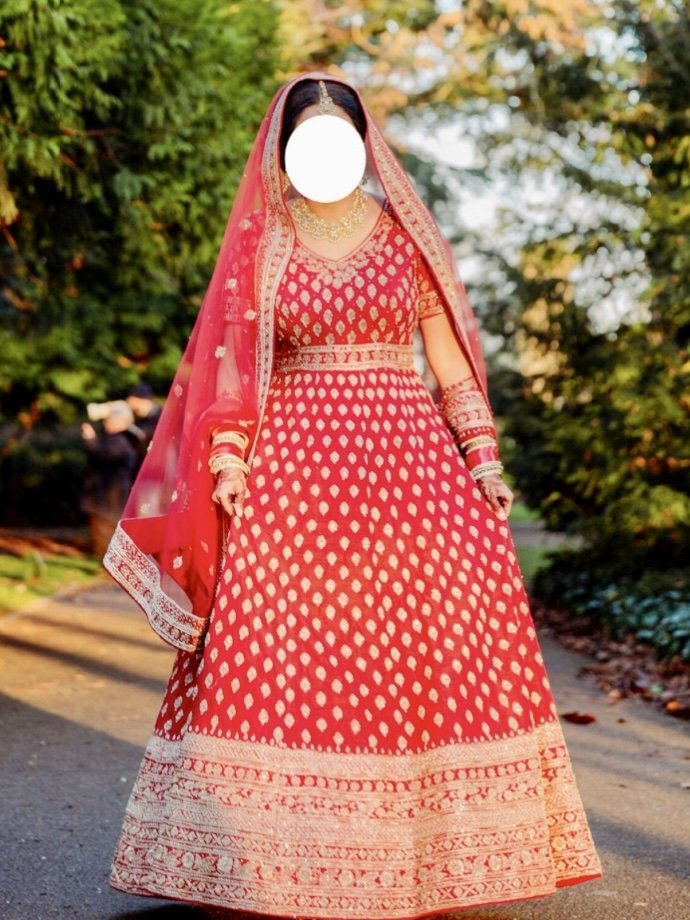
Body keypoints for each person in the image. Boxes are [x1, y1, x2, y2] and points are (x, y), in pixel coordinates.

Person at [104, 74, 601, 917]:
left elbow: (447, 359)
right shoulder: (264, 245)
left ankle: (424, 858)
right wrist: (229, 459)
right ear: (284, 149)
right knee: (281, 643)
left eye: (341, 138)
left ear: (365, 145)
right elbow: (231, 371)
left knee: (425, 640)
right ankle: (269, 864)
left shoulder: (405, 238)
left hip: (409, 463)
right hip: (293, 468)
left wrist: (482, 456)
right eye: (311, 140)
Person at [80, 401, 139, 558]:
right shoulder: (125, 440)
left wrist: (90, 439)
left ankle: (108, 565)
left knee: (104, 532)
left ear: (120, 421)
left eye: (109, 419)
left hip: (107, 498)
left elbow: (102, 455)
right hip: (110, 497)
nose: (105, 422)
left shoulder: (119, 441)